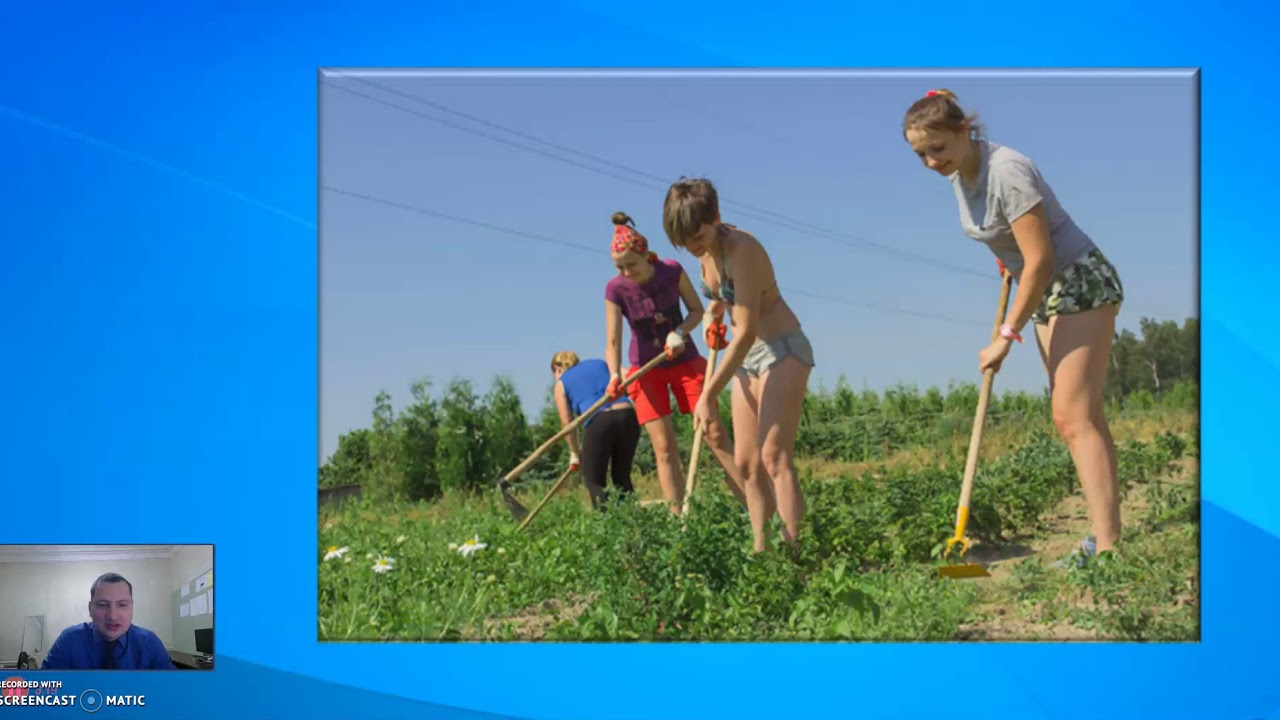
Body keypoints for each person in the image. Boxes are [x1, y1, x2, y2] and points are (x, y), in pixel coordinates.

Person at [902, 88, 1126, 563]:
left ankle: (1108, 550)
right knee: (1082, 417)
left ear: (965, 131)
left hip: (1076, 280)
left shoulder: (1007, 171)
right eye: (920, 153)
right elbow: (1007, 242)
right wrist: (1007, 264)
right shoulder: (961, 176)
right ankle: (1108, 536)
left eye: (937, 149)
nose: (929, 162)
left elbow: (1041, 258)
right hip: (1044, 289)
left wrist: (1006, 335)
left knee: (1071, 416)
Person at [660, 178, 815, 554]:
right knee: (746, 464)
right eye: (684, 241)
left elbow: (744, 332)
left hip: (782, 349)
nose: (693, 246)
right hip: (748, 361)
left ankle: (797, 556)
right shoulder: (704, 254)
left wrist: (708, 394)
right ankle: (762, 555)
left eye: (697, 236)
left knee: (774, 457)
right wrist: (715, 310)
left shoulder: (740, 248)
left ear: (716, 218)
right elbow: (723, 300)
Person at [604, 212, 747, 515]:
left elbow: (696, 310)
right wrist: (615, 374)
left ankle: (754, 507)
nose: (626, 273)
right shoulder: (615, 289)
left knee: (714, 434)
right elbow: (613, 341)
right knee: (664, 448)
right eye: (619, 267)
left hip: (684, 360)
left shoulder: (671, 271)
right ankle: (678, 522)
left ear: (646, 255)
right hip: (645, 369)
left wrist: (680, 332)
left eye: (631, 264)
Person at [550, 350, 642, 509]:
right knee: (621, 477)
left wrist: (574, 453)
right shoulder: (602, 363)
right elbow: (629, 375)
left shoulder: (561, 383)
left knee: (593, 481)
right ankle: (632, 521)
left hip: (599, 422)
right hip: (627, 416)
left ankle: (606, 526)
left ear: (557, 369)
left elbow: (567, 424)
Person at [42, 572, 176, 669]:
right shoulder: (69, 639)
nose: (112, 616)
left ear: (132, 607)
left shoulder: (149, 641)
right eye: (102, 604)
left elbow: (172, 688)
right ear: (90, 608)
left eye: (122, 605)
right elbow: (44, 687)